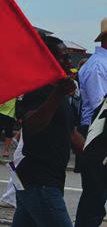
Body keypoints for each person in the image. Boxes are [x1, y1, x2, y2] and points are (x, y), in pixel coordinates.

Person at [12, 34, 85, 227]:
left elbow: (71, 134)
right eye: (64, 57)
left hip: (49, 179)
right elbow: (32, 126)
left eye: (70, 56)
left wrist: (96, 156)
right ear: (48, 59)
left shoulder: (59, 91)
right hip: (38, 180)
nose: (70, 62)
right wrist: (58, 94)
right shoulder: (37, 88)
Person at [74, 18, 107, 227]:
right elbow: (100, 108)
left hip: (100, 130)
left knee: (97, 192)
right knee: (95, 194)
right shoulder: (97, 66)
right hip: (97, 132)